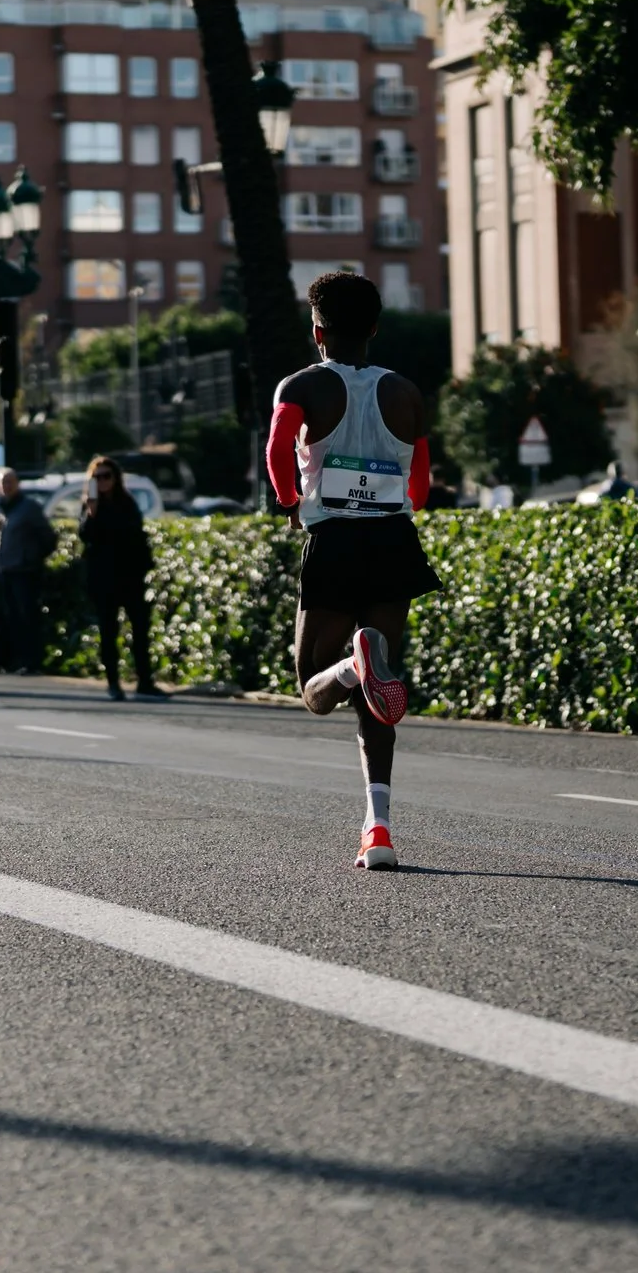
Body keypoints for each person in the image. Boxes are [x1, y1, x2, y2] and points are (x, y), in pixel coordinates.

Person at [267, 270, 439, 872]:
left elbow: (276, 446)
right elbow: (420, 480)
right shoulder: (406, 392)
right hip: (394, 541)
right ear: (373, 327)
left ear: (317, 330)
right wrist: (393, 500)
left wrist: (291, 500)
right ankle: (380, 831)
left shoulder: (302, 384)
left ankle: (348, 661)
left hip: (334, 541)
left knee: (315, 683)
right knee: (379, 696)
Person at [78, 458, 161, 701]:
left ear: (115, 478)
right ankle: (113, 682)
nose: (102, 481)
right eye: (97, 477)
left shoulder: (127, 502)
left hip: (130, 576)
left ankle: (145, 681)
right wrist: (91, 512)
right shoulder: (90, 506)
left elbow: (137, 535)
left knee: (140, 629)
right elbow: (85, 536)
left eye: (107, 476)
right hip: (103, 578)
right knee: (108, 631)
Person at [0, 468, 57, 675]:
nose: (6, 486)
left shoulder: (29, 508)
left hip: (25, 571)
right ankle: (13, 660)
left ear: (17, 483)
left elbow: (48, 537)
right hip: (5, 571)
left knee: (27, 616)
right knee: (10, 617)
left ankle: (32, 661)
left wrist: (32, 558)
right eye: (2, 483)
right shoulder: (0, 510)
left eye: (10, 481)